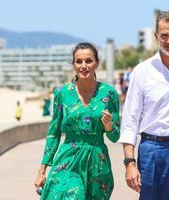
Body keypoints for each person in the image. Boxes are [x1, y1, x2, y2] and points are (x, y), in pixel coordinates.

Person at [34, 42, 120, 199]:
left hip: (97, 162)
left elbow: (115, 137)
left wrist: (108, 126)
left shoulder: (109, 93)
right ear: (73, 64)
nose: (83, 66)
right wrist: (42, 171)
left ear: (97, 63)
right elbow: (53, 133)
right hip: (68, 159)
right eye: (78, 61)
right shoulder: (62, 93)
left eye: (88, 61)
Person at [119, 10, 169, 200]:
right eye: (164, 35)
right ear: (155, 36)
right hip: (153, 150)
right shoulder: (142, 72)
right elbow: (130, 120)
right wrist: (129, 162)